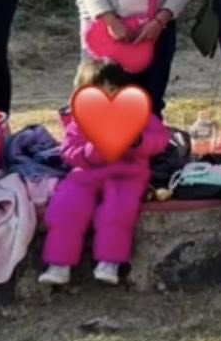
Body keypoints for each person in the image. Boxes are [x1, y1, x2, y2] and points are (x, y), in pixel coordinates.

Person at [37, 61, 172, 286]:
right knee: (66, 206)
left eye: (114, 89)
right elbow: (68, 151)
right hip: (87, 174)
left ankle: (110, 261)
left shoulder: (137, 114)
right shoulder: (80, 119)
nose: (108, 96)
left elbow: (161, 139)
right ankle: (59, 263)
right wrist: (92, 151)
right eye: (99, 92)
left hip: (127, 174)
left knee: (118, 210)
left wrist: (137, 142)